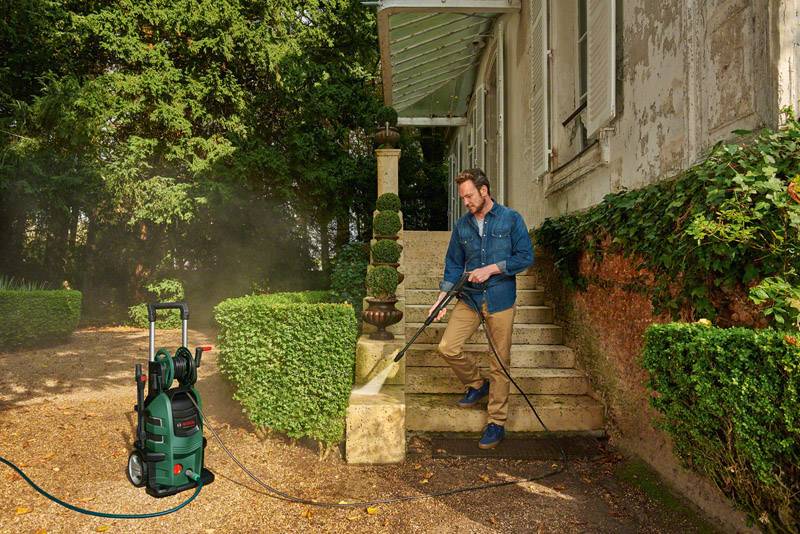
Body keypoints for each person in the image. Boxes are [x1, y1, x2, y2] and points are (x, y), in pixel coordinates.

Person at [429, 168, 534, 449]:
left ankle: (496, 423)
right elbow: (453, 265)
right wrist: (441, 299)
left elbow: (525, 257)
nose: (466, 202)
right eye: (462, 197)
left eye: (469, 196)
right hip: (470, 299)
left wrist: (492, 269)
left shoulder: (511, 219)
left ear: (484, 190)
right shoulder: (462, 226)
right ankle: (477, 384)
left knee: (499, 362)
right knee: (448, 346)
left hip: (500, 299)